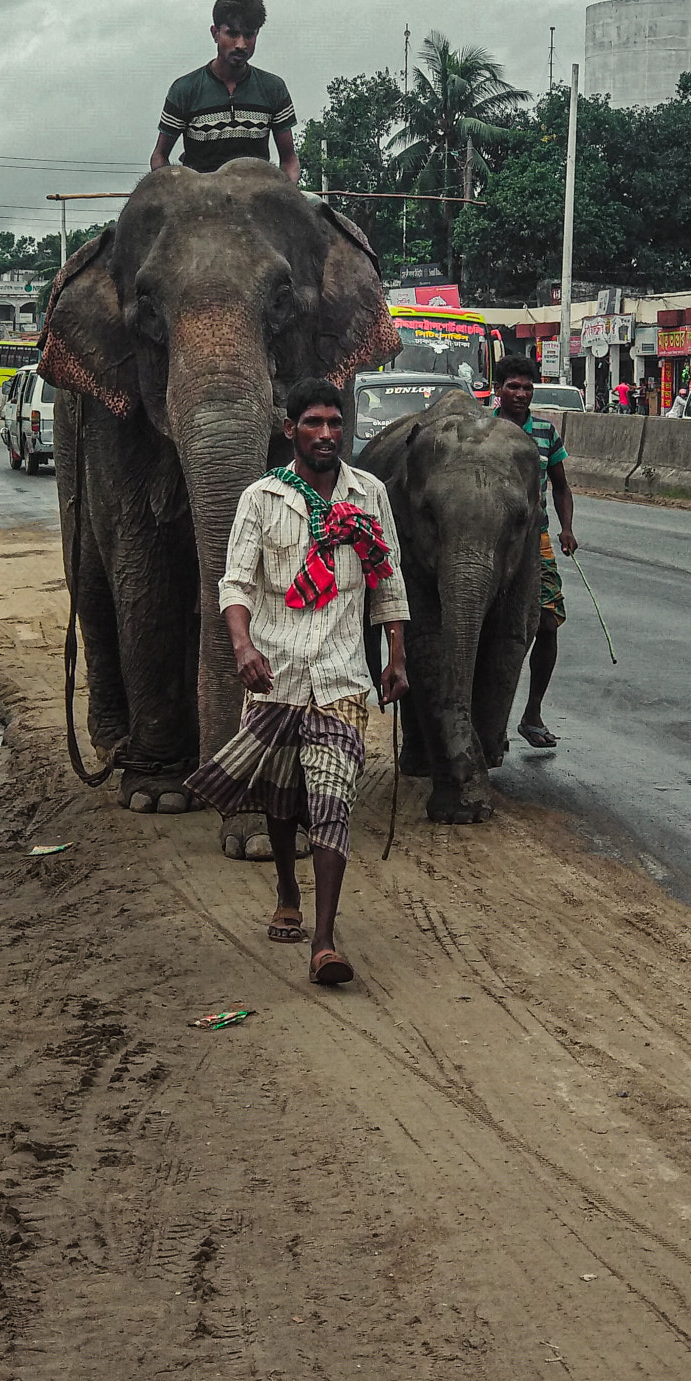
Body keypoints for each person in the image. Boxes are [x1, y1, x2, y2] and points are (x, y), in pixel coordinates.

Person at [186, 378, 408, 988]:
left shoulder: (371, 497)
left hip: (341, 675)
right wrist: (242, 646)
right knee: (285, 798)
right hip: (275, 672)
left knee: (333, 802)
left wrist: (396, 657)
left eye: (336, 423)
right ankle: (286, 888)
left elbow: (388, 580)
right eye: (314, 423)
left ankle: (324, 940)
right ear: (292, 430)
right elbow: (235, 584)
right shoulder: (261, 498)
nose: (328, 434)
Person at [493, 356, 577, 750]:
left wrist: (567, 529)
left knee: (547, 624)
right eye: (513, 386)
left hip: (536, 542)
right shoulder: (483, 430)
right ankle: (489, 719)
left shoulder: (546, 432)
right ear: (499, 390)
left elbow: (561, 486)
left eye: (527, 388)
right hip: (489, 541)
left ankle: (532, 713)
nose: (522, 395)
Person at [151, 0, 300, 184]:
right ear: (215, 33)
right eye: (232, 33)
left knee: (318, 210)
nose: (241, 44)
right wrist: (175, 194)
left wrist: (287, 194)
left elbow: (289, 160)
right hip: (201, 201)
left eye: (249, 34)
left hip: (259, 199)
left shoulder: (273, 88)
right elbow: (159, 157)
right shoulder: (185, 90)